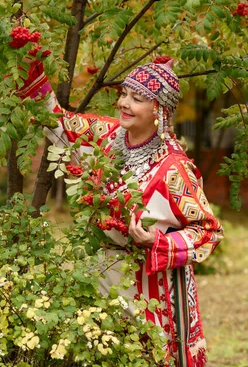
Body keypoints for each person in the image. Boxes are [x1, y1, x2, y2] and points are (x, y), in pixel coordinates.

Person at [33, 59, 224, 367]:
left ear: (159, 111)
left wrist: (159, 241)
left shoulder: (173, 169)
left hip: (153, 290)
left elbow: (208, 231)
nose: (124, 103)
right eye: (124, 94)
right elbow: (60, 124)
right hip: (102, 273)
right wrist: (34, 77)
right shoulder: (106, 138)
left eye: (137, 98)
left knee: (146, 358)